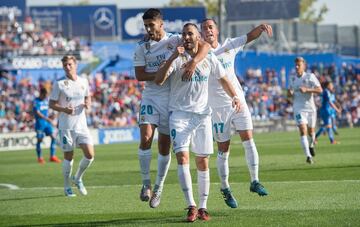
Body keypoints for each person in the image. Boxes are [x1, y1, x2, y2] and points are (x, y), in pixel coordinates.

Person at [154, 23, 241, 222]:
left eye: (190, 33)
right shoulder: (177, 58)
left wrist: (234, 96)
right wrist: (173, 57)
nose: (186, 37)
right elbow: (159, 80)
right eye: (184, 34)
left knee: (203, 161)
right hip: (179, 115)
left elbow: (224, 78)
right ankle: (191, 205)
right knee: (183, 158)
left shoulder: (208, 57)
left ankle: (203, 207)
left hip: (203, 115)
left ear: (197, 37)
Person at [133, 8, 209, 208]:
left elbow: (205, 45)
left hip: (170, 99)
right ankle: (146, 183)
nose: (149, 28)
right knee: (145, 138)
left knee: (164, 148)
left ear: (161, 24)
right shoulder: (142, 47)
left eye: (152, 24)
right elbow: (140, 75)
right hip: (151, 96)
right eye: (146, 25)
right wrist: (161, 73)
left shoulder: (175, 40)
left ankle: (159, 187)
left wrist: (193, 62)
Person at [200, 18, 271, 208]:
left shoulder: (229, 45)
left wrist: (261, 28)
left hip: (238, 101)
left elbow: (249, 37)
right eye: (204, 28)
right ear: (201, 33)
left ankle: (255, 181)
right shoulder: (201, 54)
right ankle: (225, 188)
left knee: (248, 140)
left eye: (210, 27)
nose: (208, 30)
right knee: (223, 150)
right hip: (217, 108)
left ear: (217, 30)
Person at [49, 55, 95, 197]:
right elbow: (51, 104)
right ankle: (67, 186)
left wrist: (88, 104)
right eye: (65, 65)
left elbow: (88, 96)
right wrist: (64, 110)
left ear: (76, 65)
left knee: (90, 155)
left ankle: (78, 178)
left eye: (70, 64)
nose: (67, 67)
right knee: (69, 157)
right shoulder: (60, 84)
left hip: (82, 125)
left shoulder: (83, 81)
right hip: (66, 126)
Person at [287, 57, 322, 164]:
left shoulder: (310, 76)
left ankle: (311, 145)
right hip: (298, 108)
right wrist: (290, 93)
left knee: (311, 132)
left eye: (299, 65)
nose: (297, 67)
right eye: (296, 65)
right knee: (303, 130)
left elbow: (320, 90)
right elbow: (288, 94)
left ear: (304, 65)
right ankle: (308, 156)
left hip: (310, 108)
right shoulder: (292, 79)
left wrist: (307, 89)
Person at [33, 87, 61, 164]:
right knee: (40, 140)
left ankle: (52, 156)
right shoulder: (36, 101)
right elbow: (37, 113)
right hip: (40, 124)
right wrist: (47, 118)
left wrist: (52, 115)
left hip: (47, 123)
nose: (46, 96)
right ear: (41, 94)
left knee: (53, 137)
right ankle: (40, 158)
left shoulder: (46, 101)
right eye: (45, 95)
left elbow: (49, 110)